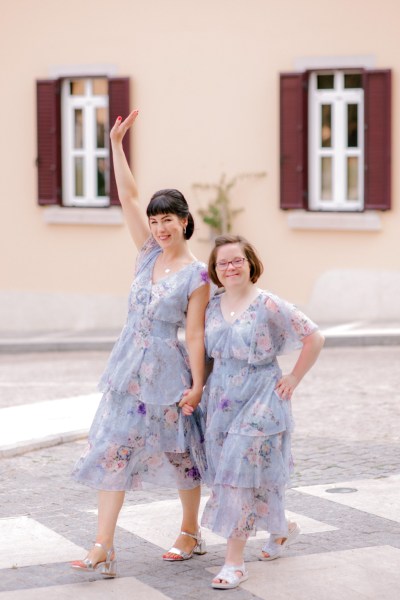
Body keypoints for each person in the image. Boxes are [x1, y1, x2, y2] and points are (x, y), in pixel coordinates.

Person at [71, 110, 210, 577]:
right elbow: (127, 195)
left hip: (170, 371)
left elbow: (194, 333)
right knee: (114, 447)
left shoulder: (197, 274)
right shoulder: (146, 253)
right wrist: (115, 142)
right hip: (128, 367)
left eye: (167, 219)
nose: (159, 228)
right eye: (154, 220)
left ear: (185, 221)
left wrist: (197, 385)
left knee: (179, 453)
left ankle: (190, 530)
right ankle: (102, 545)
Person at [197, 234, 324, 590]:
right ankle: (282, 530)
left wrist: (294, 378)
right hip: (221, 399)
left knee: (239, 474)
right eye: (223, 263)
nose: (231, 267)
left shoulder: (269, 304)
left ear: (250, 263)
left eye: (237, 260)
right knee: (239, 475)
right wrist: (196, 391)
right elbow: (207, 356)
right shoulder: (210, 306)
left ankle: (234, 563)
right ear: (215, 270)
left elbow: (314, 337)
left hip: (262, 397)